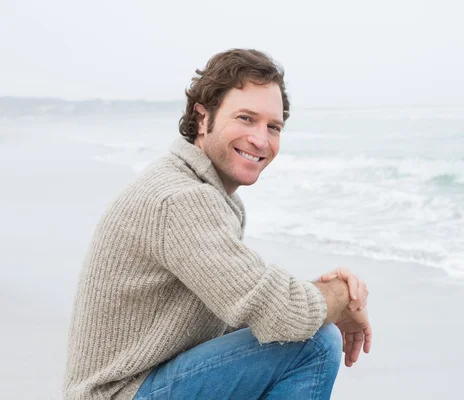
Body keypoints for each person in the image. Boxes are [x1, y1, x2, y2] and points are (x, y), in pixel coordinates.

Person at [64, 49, 372, 400]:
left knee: (299, 332)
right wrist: (343, 298)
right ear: (202, 117)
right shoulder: (180, 200)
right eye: (245, 118)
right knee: (315, 345)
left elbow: (255, 307)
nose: (261, 139)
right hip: (122, 393)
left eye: (273, 127)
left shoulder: (207, 194)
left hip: (147, 384)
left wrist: (320, 303)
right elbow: (284, 314)